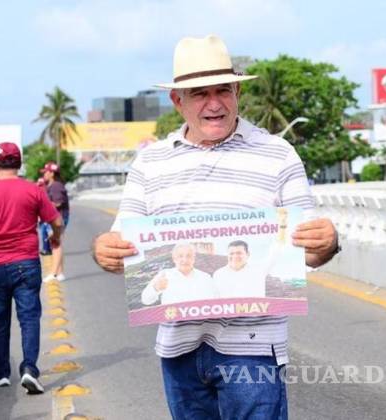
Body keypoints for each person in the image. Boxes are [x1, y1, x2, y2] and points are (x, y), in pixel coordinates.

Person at [92, 35, 340, 419]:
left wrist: (326, 242)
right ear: (178, 101)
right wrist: (105, 251)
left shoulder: (278, 154)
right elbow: (123, 243)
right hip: (179, 347)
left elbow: (307, 250)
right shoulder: (150, 163)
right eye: (199, 94)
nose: (214, 103)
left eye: (223, 90)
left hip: (253, 348)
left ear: (237, 92)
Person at [0, 142, 63, 395]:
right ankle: (29, 369)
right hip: (26, 263)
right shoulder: (33, 190)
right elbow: (57, 220)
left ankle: (1, 374)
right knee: (29, 319)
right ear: (19, 163)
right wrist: (55, 236)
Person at [141, 243, 216, 305]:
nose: (185, 260)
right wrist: (156, 288)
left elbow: (214, 301)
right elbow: (145, 300)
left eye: (188, 256)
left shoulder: (205, 277)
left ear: (193, 258)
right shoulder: (165, 275)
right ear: (174, 259)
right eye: (180, 256)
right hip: (173, 318)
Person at [41, 161, 70, 282]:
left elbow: (58, 203)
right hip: (55, 218)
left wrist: (43, 206)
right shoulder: (53, 185)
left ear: (52, 173)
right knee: (56, 244)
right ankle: (60, 273)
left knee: (55, 244)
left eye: (46, 172)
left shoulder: (56, 186)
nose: (44, 174)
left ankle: (53, 274)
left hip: (57, 218)